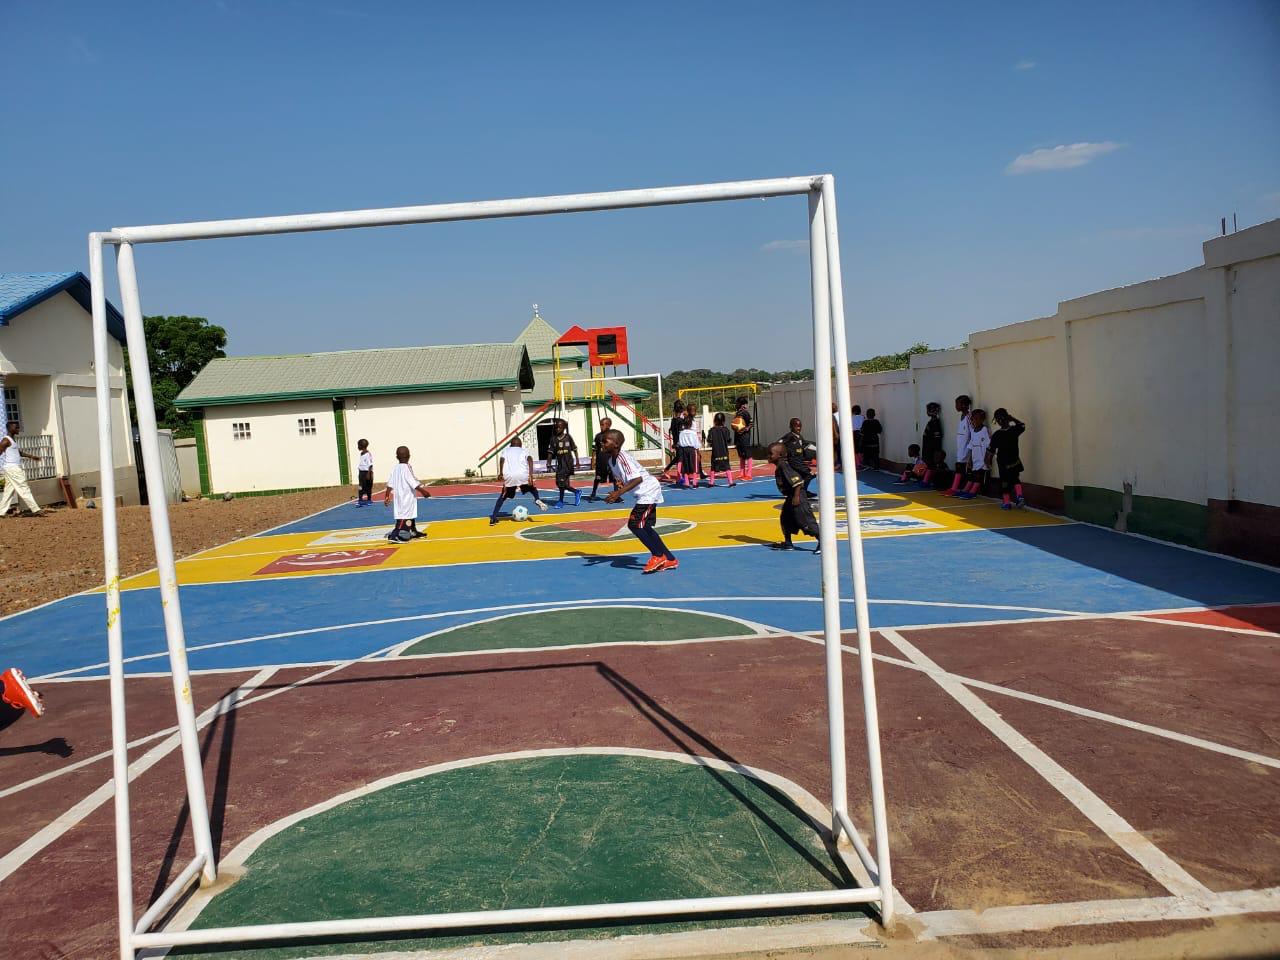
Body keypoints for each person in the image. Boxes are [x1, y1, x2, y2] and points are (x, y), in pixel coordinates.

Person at [602, 429, 678, 573]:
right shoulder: (611, 461)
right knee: (645, 527)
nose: (602, 443)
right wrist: (617, 493)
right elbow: (622, 480)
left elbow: (638, 479)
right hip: (643, 493)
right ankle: (670, 559)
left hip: (648, 491)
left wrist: (619, 492)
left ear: (616, 444)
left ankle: (657, 555)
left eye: (605, 441)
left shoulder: (623, 458)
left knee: (634, 524)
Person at [768, 441, 821, 552]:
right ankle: (788, 543)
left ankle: (822, 541)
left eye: (771, 454)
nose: (768, 456)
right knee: (785, 518)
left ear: (780, 455)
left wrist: (796, 497)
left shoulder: (784, 466)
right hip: (791, 496)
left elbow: (798, 482)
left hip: (797, 496)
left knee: (805, 520)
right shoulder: (780, 466)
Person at [490, 436, 549, 525]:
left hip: (510, 476)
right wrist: (530, 475)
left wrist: (501, 473)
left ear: (511, 445)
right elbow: (530, 459)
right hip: (522, 474)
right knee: (532, 488)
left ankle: (493, 518)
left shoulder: (506, 450)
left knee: (503, 496)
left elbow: (502, 460)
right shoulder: (524, 450)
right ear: (520, 445)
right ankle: (537, 499)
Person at [383, 445, 430, 540]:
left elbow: (389, 484)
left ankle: (413, 531)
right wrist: (423, 491)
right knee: (404, 516)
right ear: (409, 456)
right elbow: (412, 481)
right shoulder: (406, 467)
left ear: (397, 457)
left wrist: (387, 496)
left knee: (410, 515)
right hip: (406, 497)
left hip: (399, 497)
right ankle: (396, 534)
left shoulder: (395, 468)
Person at [0, 420, 43, 518]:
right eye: (16, 427)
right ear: (10, 428)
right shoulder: (5, 440)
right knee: (24, 488)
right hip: (13, 468)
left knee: (8, 491)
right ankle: (35, 509)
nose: (18, 429)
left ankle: (1, 512)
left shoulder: (12, 440)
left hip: (12, 468)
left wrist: (32, 456)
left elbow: (18, 453)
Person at [990, 408, 1027, 509]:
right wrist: (1013, 419)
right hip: (1014, 461)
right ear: (1008, 418)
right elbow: (1022, 425)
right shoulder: (1014, 430)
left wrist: (987, 461)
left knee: (1004, 482)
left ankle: (1006, 502)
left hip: (1003, 463)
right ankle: (1019, 496)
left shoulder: (997, 435)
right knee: (1015, 479)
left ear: (998, 421)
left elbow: (991, 451)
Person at [955, 409, 990, 500]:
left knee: (979, 476)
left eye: (976, 419)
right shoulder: (973, 431)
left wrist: (988, 459)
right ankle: (966, 489)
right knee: (972, 475)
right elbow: (971, 446)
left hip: (982, 460)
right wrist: (969, 459)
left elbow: (988, 445)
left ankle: (973, 492)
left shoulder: (984, 430)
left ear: (982, 419)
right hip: (975, 459)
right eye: (972, 419)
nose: (973, 421)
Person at [944, 394, 973, 496]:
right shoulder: (962, 416)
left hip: (967, 448)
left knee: (962, 468)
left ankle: (956, 488)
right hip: (961, 447)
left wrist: (970, 449)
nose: (956, 406)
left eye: (958, 404)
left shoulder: (969, 417)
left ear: (964, 405)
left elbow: (973, 433)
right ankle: (958, 488)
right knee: (960, 467)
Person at [548, 419, 580, 508]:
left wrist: (577, 461)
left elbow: (574, 449)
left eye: (559, 427)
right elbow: (550, 452)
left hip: (568, 463)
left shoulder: (568, 437)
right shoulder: (553, 439)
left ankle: (561, 501)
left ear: (564, 428)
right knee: (561, 484)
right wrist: (548, 462)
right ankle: (576, 492)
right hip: (560, 464)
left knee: (561, 483)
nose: (557, 429)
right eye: (556, 427)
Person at [780, 418, 816, 498]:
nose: (799, 428)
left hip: (800, 461)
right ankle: (801, 492)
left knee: (804, 476)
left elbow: (805, 444)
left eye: (800, 426)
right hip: (794, 461)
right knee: (810, 474)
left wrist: (817, 449)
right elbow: (779, 444)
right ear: (791, 427)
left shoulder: (799, 436)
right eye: (796, 426)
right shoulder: (789, 436)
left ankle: (801, 491)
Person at [589, 417, 619, 501]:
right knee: (598, 478)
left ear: (608, 425)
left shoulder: (613, 436)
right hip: (600, 461)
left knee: (615, 479)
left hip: (611, 460)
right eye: (600, 425)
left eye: (603, 425)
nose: (601, 427)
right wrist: (593, 460)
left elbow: (616, 448)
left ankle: (616, 495)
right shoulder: (598, 436)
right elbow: (594, 449)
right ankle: (593, 493)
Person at [706, 412, 736, 487]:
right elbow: (728, 440)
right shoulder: (726, 430)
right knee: (727, 467)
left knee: (713, 467)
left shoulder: (712, 430)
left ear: (714, 421)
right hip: (724, 452)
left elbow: (709, 440)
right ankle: (730, 482)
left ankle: (711, 482)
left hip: (715, 452)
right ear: (723, 421)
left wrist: (712, 442)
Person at [731, 396, 754, 480]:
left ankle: (749, 474)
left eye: (737, 403)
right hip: (738, 437)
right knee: (741, 455)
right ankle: (742, 473)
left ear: (741, 404)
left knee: (748, 455)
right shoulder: (737, 413)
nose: (736, 405)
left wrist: (745, 429)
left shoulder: (745, 413)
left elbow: (751, 423)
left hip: (745, 437)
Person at [663, 400, 687, 480]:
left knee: (678, 458)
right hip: (680, 443)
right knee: (680, 459)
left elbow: (673, 431)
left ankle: (667, 470)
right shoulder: (680, 421)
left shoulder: (673, 420)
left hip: (676, 442)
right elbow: (681, 432)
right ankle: (679, 476)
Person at [676, 415, 702, 489]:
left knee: (685, 467)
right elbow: (696, 444)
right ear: (691, 424)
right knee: (694, 467)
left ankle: (687, 483)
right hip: (692, 450)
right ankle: (694, 483)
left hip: (684, 450)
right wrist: (697, 451)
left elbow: (680, 443)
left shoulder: (681, 433)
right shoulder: (693, 433)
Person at [921, 402, 943, 478]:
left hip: (931, 448)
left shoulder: (935, 423)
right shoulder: (931, 422)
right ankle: (926, 478)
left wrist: (937, 450)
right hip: (927, 447)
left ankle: (928, 480)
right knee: (927, 463)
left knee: (931, 465)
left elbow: (937, 437)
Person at [355, 439, 374, 507]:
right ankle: (360, 500)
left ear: (362, 446)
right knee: (360, 486)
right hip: (361, 473)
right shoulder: (361, 453)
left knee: (368, 486)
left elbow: (370, 465)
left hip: (367, 473)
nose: (357, 446)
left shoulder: (368, 454)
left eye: (358, 445)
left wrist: (369, 474)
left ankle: (369, 500)